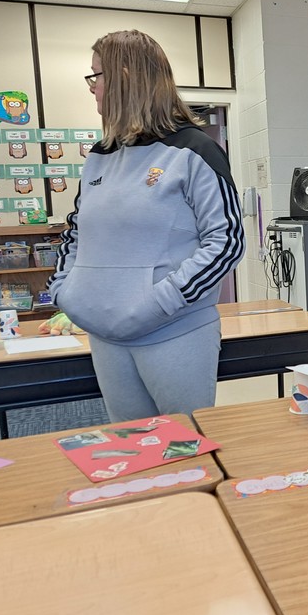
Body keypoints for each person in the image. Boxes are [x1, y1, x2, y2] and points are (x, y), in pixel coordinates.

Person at [48, 30, 245, 421]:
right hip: (104, 335)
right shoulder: (100, 156)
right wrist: (63, 291)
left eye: (96, 76)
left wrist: (161, 302)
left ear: (124, 77)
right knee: (132, 449)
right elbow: (76, 231)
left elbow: (227, 242)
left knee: (185, 448)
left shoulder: (194, 149)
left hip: (173, 332)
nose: (92, 88)